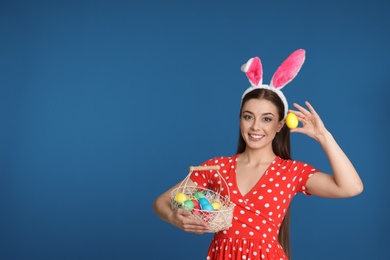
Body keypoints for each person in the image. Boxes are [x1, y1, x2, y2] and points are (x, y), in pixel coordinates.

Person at [153, 49, 363, 260]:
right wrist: (173, 217)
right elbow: (161, 201)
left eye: (266, 119)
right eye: (248, 117)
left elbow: (351, 187)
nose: (255, 127)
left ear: (280, 125)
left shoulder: (291, 172)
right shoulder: (215, 167)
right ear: (240, 119)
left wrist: (323, 136)